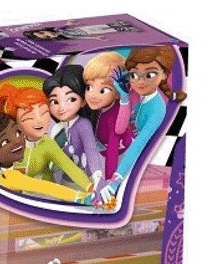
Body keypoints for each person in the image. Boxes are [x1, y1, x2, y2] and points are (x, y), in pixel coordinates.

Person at [0, 112, 93, 212]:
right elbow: (46, 187)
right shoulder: (11, 178)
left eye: (18, 132)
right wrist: (81, 197)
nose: (18, 141)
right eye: (5, 142)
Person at [100, 45, 187, 203]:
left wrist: (115, 181)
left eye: (150, 74)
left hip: (141, 161)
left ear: (164, 74)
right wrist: (124, 97)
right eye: (134, 74)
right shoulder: (135, 94)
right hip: (125, 153)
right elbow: (119, 129)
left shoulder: (157, 109)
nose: (140, 81)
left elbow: (139, 145)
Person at [44, 64, 105, 188]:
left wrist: (98, 177)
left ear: (83, 100)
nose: (61, 107)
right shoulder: (57, 129)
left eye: (71, 99)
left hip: (87, 181)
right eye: (55, 101)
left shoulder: (83, 125)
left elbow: (91, 152)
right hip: (65, 181)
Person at [83, 51, 134, 179]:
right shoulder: (97, 109)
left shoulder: (114, 116)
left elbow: (113, 151)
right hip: (103, 149)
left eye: (103, 90)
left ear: (118, 93)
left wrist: (110, 181)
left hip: (121, 154)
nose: (93, 95)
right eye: (89, 87)